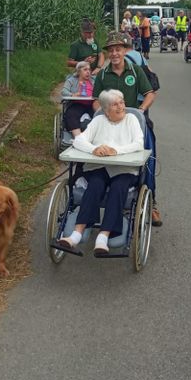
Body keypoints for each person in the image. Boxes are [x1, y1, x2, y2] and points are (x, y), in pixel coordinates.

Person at [58, 90, 144, 254]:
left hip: (124, 169)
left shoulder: (131, 120)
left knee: (118, 187)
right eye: (115, 104)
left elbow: (138, 144)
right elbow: (79, 140)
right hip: (99, 166)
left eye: (122, 102)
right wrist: (94, 149)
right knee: (95, 184)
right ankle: (77, 233)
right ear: (105, 110)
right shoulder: (98, 121)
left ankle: (103, 237)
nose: (121, 107)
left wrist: (115, 150)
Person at [92, 31, 162, 225]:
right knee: (95, 154)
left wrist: (140, 110)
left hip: (133, 122)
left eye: (118, 49)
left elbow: (150, 93)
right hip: (109, 123)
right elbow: (95, 100)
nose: (114, 53)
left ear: (125, 50)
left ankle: (152, 203)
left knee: (149, 157)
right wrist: (101, 114)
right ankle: (95, 194)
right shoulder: (103, 75)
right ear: (107, 53)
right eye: (111, 50)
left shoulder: (135, 71)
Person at [61, 61, 94, 137]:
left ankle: (95, 136)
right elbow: (64, 91)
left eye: (89, 70)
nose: (88, 72)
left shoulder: (93, 81)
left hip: (92, 104)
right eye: (85, 69)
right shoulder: (71, 80)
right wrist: (73, 94)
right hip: (77, 103)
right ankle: (78, 138)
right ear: (78, 71)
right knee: (71, 114)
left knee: (99, 115)